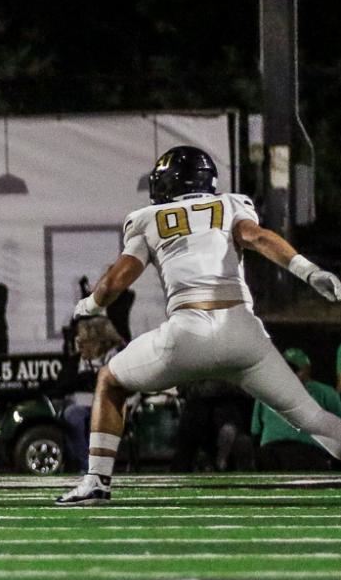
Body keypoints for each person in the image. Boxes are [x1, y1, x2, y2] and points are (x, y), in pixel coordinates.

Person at [59, 145, 341, 505]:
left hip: (188, 332)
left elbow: (116, 281)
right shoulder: (231, 205)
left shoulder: (148, 218)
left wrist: (89, 304)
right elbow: (257, 238)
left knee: (110, 382)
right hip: (242, 333)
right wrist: (309, 271)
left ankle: (96, 481)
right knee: (313, 418)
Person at [248, 349, 341, 471]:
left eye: (294, 370)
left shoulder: (325, 393)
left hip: (305, 453)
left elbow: (255, 431)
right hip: (274, 452)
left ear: (308, 370)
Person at [58, 316, 124, 472]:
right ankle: (86, 466)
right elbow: (62, 385)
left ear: (100, 342)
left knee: (84, 416)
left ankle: (94, 467)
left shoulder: (117, 357)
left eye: (85, 341)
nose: (80, 345)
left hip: (112, 407)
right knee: (70, 415)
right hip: (84, 405)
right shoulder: (76, 361)